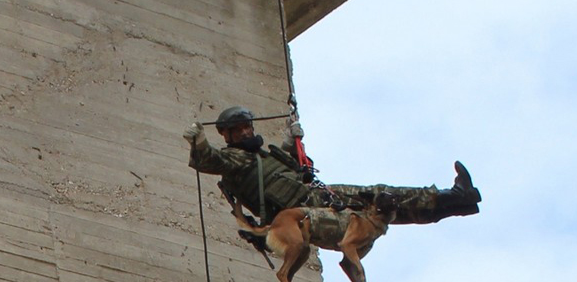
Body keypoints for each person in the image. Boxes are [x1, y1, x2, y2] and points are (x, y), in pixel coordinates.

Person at [184, 106, 481, 225]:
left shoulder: (261, 156)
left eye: (247, 126)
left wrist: (291, 137)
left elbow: (288, 165)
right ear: (227, 134)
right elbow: (209, 160)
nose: (247, 132)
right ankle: (453, 199)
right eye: (239, 129)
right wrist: (198, 141)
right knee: (376, 195)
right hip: (304, 206)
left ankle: (452, 203)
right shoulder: (235, 160)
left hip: (313, 199)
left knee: (379, 207)